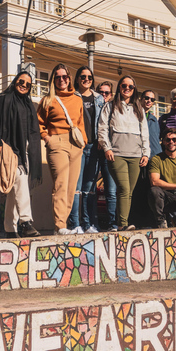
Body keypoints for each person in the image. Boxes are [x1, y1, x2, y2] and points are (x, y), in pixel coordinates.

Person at [37, 63, 87, 235]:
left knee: (72, 188)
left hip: (75, 145)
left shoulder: (77, 99)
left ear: (69, 78)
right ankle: (60, 225)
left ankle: (62, 226)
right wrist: (48, 139)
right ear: (53, 80)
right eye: (57, 77)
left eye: (64, 76)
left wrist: (84, 142)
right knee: (60, 185)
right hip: (57, 142)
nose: (61, 80)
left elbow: (80, 122)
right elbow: (39, 123)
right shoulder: (47, 100)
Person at [0, 72, 42, 238]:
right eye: (21, 81)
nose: (24, 85)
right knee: (20, 181)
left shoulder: (27, 104)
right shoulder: (2, 99)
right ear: (15, 81)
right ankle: (25, 222)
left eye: (28, 84)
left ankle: (9, 228)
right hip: (8, 148)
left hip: (24, 150)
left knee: (14, 189)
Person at [97, 75, 150, 231]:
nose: (127, 88)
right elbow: (102, 128)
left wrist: (145, 153)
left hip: (136, 155)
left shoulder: (138, 108)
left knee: (129, 191)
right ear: (119, 87)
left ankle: (123, 223)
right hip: (117, 154)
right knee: (124, 188)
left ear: (134, 89)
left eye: (130, 86)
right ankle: (122, 224)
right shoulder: (110, 106)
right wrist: (107, 148)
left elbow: (144, 132)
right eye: (124, 86)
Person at [67, 66, 104, 234]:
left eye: (89, 76)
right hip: (77, 146)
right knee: (76, 186)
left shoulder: (98, 99)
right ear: (77, 78)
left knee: (90, 188)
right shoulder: (71, 96)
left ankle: (88, 224)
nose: (86, 79)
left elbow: (102, 123)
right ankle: (74, 223)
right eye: (83, 76)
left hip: (94, 146)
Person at [128, 90, 161, 228]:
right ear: (141, 99)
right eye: (147, 98)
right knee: (137, 191)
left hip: (153, 160)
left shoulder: (154, 119)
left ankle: (150, 222)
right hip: (138, 158)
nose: (149, 101)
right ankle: (135, 221)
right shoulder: (133, 115)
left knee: (151, 191)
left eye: (152, 99)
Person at [95, 80, 117, 231]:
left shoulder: (114, 109)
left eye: (106, 92)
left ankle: (113, 224)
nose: (103, 95)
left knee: (111, 190)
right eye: (100, 92)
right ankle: (91, 223)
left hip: (109, 153)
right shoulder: (91, 107)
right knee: (89, 189)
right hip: (92, 152)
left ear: (111, 95)